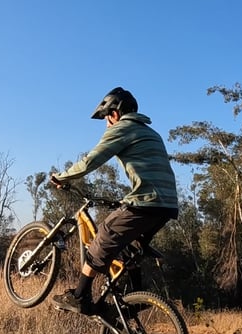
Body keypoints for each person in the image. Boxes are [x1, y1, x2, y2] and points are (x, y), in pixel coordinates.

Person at [49, 87, 179, 315]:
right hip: (167, 206)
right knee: (129, 248)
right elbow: (150, 172)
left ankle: (80, 296)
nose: (106, 124)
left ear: (115, 113)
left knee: (104, 234)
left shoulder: (122, 128)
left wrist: (62, 177)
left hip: (146, 203)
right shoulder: (151, 133)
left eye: (105, 118)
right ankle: (136, 299)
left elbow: (91, 161)